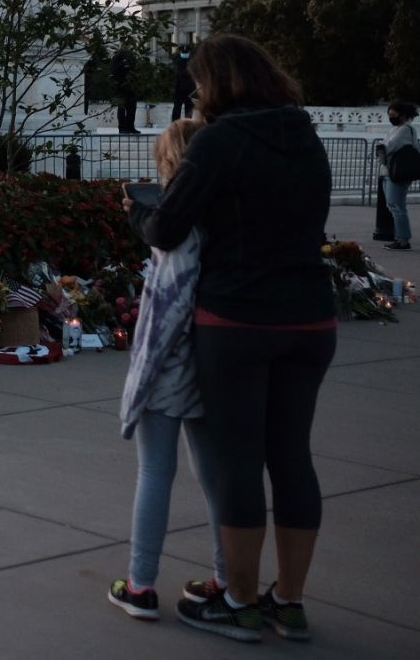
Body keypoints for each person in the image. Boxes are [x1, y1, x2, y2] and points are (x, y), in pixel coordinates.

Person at [125, 34, 335, 644]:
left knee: (239, 460)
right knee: (293, 457)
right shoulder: (304, 135)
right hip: (311, 318)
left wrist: (134, 210)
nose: (194, 92)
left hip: (239, 321)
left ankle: (239, 600)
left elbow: (167, 228)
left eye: (198, 81)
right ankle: (288, 601)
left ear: (220, 82)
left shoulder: (220, 141)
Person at [109, 119, 225, 623]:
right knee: (216, 479)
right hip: (215, 360)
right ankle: (227, 578)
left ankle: (141, 585)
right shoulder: (226, 215)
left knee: (156, 472)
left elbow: (170, 304)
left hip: (172, 365)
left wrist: (144, 373)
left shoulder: (178, 226)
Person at [377, 100, 417, 251]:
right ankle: (400, 238)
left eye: (394, 114)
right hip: (390, 171)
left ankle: (403, 240)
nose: (391, 117)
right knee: (394, 205)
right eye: (389, 114)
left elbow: (389, 146)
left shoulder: (404, 129)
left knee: (397, 206)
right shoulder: (398, 128)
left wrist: (381, 148)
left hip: (397, 172)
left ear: (402, 115)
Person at [111, 48, 139, 134]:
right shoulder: (117, 58)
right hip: (121, 86)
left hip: (131, 87)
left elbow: (136, 69)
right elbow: (114, 71)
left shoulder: (131, 57)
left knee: (132, 108)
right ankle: (122, 128)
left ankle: (130, 127)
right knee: (122, 108)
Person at [170, 48, 195, 122]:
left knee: (186, 109)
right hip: (181, 90)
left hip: (186, 90)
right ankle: (177, 123)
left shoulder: (188, 63)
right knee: (179, 108)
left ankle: (184, 123)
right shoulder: (180, 63)